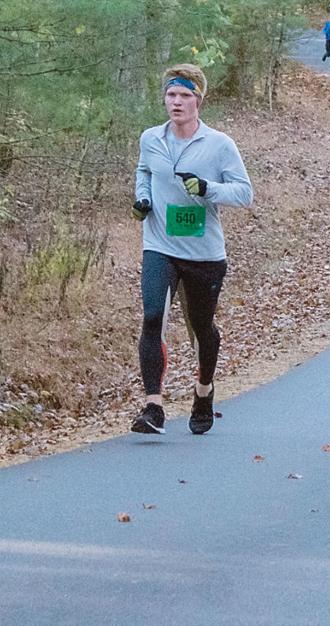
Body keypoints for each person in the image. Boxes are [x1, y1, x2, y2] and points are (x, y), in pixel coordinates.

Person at [131, 64, 254, 435]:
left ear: (199, 100)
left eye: (185, 95)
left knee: (202, 328)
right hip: (159, 245)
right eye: (171, 95)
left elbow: (244, 193)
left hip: (203, 253)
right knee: (153, 316)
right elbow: (144, 172)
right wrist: (142, 198)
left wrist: (208, 189)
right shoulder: (150, 138)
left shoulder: (219, 144)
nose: (177, 102)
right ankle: (154, 407)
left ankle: (203, 391)